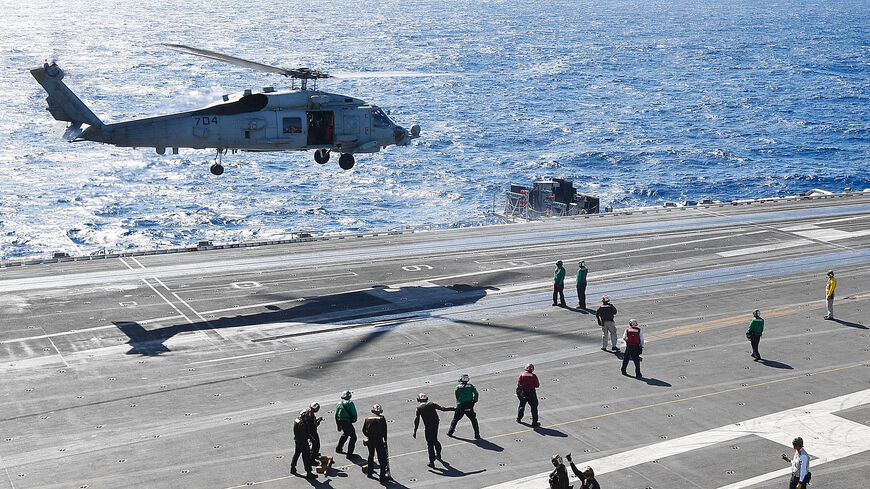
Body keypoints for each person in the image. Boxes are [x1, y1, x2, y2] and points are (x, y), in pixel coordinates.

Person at [413, 392, 455, 467]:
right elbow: (443, 409)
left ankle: (431, 462)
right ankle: (438, 455)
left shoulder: (419, 409)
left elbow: (417, 420)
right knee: (435, 440)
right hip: (436, 424)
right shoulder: (432, 404)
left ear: (418, 400)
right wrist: (454, 409)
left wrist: (415, 431)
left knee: (430, 444)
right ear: (427, 399)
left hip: (428, 426)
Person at [447, 373, 480, 438]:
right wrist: (474, 401)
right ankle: (477, 435)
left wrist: (458, 402)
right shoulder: (471, 386)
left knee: (455, 419)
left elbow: (457, 396)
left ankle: (450, 432)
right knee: (473, 419)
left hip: (461, 405)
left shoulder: (458, 387)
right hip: (469, 405)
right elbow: (476, 393)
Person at [363, 403, 389, 482]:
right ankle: (382, 476)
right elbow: (385, 430)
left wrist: (369, 436)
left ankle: (370, 473)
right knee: (382, 458)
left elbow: (363, 430)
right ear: (380, 411)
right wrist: (385, 440)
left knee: (371, 456)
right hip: (379, 440)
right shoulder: (381, 418)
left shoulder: (367, 419)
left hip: (371, 440)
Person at [291, 409, 316, 478]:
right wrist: (310, 439)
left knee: (296, 454)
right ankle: (309, 472)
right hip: (303, 442)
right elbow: (304, 434)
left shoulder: (297, 420)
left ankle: (292, 468)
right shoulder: (302, 424)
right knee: (306, 457)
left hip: (297, 440)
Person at [516, 363, 540, 427]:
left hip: (523, 393)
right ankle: (534, 423)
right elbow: (537, 385)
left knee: (522, 405)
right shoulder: (533, 376)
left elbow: (519, 384)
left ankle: (519, 418)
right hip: (531, 393)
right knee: (534, 407)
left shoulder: (521, 375)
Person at [335, 390, 358, 457]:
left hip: (340, 422)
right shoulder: (350, 403)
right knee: (353, 437)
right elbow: (354, 412)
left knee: (345, 434)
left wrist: (338, 425)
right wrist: (354, 419)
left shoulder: (339, 403)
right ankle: (349, 454)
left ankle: (338, 448)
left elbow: (336, 415)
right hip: (347, 422)